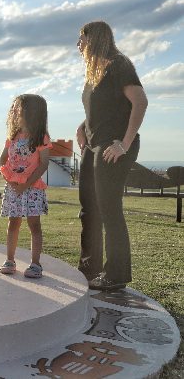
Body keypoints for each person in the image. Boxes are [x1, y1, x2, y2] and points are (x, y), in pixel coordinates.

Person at [76, 21, 148, 291]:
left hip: (113, 148)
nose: (78, 44)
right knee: (89, 209)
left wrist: (124, 144)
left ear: (94, 39)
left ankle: (115, 275)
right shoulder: (93, 72)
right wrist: (82, 126)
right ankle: (89, 267)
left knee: (109, 210)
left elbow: (140, 101)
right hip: (93, 145)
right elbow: (102, 108)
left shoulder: (119, 64)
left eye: (81, 38)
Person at [0, 94, 52, 279]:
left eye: (17, 107)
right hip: (14, 188)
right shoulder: (12, 136)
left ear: (30, 111)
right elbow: (3, 160)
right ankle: (10, 260)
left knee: (34, 225)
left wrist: (26, 184)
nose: (13, 111)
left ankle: (35, 264)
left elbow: (44, 164)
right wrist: (11, 180)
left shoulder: (41, 138)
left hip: (33, 189)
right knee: (13, 223)